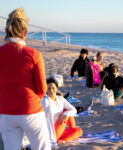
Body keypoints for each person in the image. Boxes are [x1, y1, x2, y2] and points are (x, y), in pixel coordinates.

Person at [0, 8, 51, 150]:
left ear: (7, 31)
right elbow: (42, 88)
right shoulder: (33, 54)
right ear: (25, 32)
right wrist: (34, 99)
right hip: (31, 110)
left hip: (6, 112)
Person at [42, 78, 83, 145]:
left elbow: (74, 110)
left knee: (79, 130)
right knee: (66, 112)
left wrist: (66, 114)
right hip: (52, 132)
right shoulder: (45, 101)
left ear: (57, 88)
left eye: (53, 88)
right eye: (49, 88)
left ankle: (64, 140)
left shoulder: (60, 99)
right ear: (46, 90)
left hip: (60, 131)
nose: (51, 90)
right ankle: (62, 139)